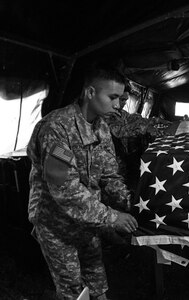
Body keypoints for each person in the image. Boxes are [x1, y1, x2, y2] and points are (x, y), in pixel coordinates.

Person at [27, 64, 138, 300]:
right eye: (113, 97)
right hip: (56, 224)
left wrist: (133, 203)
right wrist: (112, 217)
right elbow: (65, 190)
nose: (118, 105)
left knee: (98, 285)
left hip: (88, 223)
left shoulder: (101, 128)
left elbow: (109, 176)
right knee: (73, 290)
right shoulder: (56, 128)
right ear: (90, 93)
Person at [103, 85, 169, 191]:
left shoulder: (122, 113)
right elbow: (118, 131)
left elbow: (136, 119)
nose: (124, 103)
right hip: (112, 158)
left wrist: (156, 121)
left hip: (124, 156)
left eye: (126, 100)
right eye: (122, 100)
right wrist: (145, 129)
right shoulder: (105, 115)